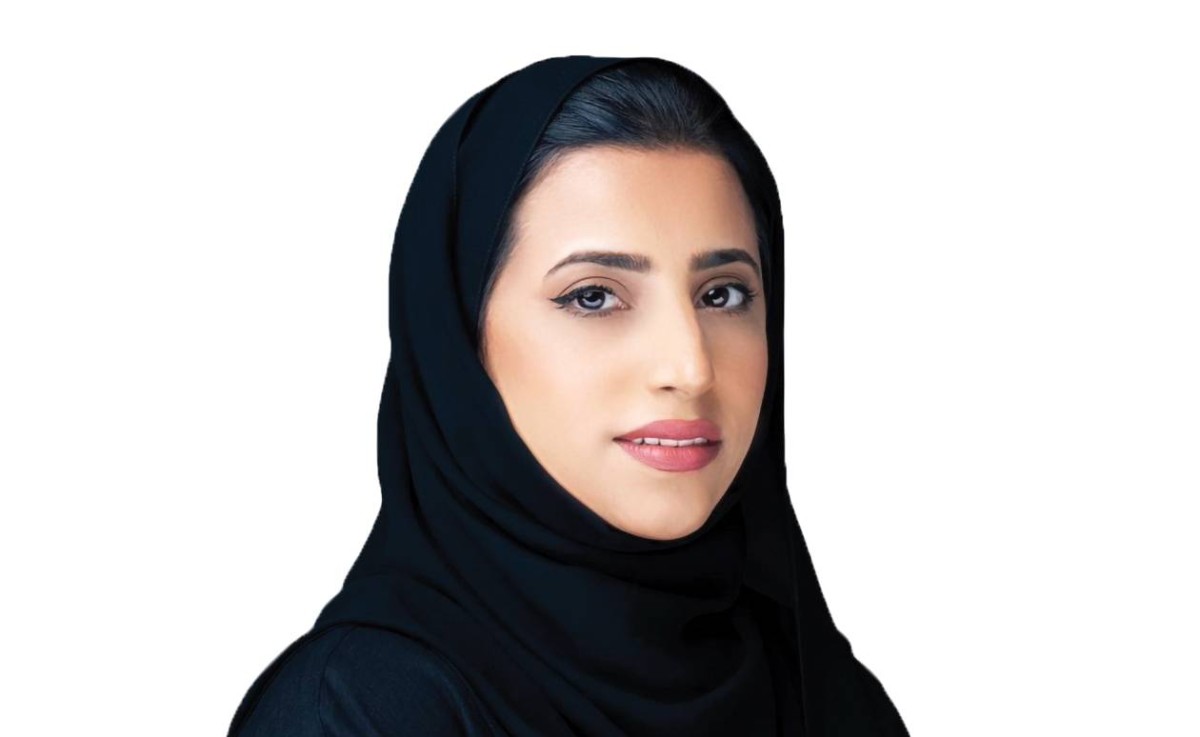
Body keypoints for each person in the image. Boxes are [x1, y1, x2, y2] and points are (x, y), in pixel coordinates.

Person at [226, 54, 910, 736]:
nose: (691, 367)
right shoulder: (355, 713)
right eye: (594, 297)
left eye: (722, 294)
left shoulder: (823, 691)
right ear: (459, 339)